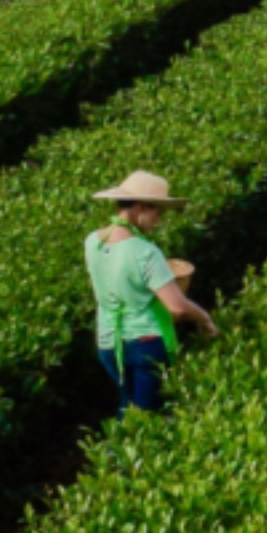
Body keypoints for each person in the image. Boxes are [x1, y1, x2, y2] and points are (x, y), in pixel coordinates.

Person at [84, 171, 218, 415]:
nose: (159, 220)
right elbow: (177, 307)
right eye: (158, 212)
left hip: (108, 341)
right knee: (151, 414)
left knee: (128, 405)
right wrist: (204, 318)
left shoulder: (92, 241)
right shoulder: (145, 252)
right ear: (141, 208)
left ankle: (117, 451)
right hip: (145, 343)